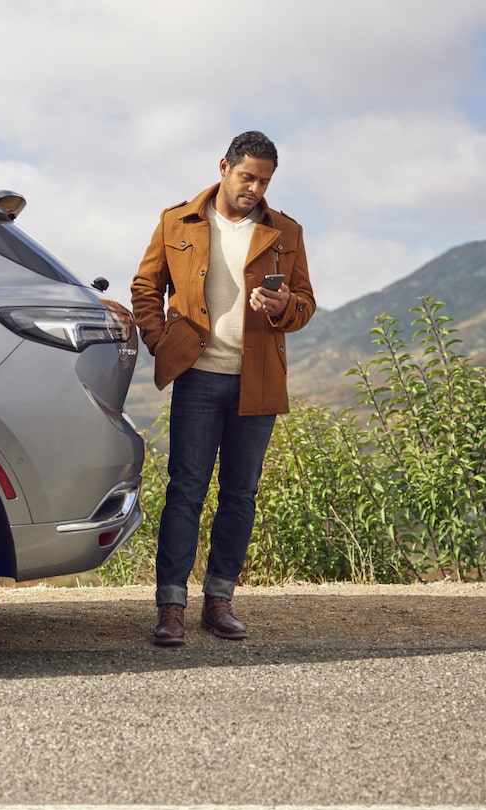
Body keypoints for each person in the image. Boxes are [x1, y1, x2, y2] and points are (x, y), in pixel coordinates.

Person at [130, 130, 316, 645]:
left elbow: (305, 303)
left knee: (240, 494)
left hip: (258, 382)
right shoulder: (178, 221)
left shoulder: (287, 232)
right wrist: (160, 340)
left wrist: (285, 306)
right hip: (198, 377)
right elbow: (146, 288)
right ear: (224, 167)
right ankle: (171, 607)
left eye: (264, 181)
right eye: (247, 177)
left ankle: (219, 601)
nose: (255, 189)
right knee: (185, 491)